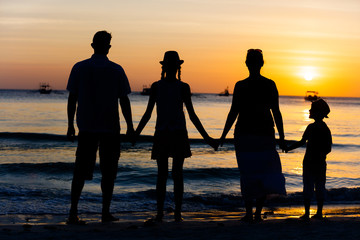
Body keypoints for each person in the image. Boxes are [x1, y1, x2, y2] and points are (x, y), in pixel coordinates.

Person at [134, 51, 217, 222]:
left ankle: (170, 213)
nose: (171, 68)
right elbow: (149, 113)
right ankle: (168, 213)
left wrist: (207, 138)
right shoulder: (161, 87)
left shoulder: (178, 87)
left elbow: (191, 115)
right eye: (170, 65)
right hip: (170, 133)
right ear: (168, 67)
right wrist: (136, 132)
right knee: (171, 174)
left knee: (168, 175)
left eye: (173, 65)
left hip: (172, 133)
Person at [66, 31, 134, 224]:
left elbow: (72, 99)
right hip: (110, 128)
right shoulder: (116, 70)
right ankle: (104, 212)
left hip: (87, 127)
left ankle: (73, 212)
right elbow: (124, 100)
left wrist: (70, 124)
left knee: (80, 171)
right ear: (109, 47)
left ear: (92, 45)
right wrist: (130, 126)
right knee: (109, 172)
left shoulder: (79, 68)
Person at [219, 49, 286, 222]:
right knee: (261, 173)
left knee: (248, 174)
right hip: (260, 135)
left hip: (247, 135)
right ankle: (255, 213)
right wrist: (282, 138)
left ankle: (250, 213)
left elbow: (233, 112)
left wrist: (223, 135)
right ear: (261, 63)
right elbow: (276, 113)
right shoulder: (268, 84)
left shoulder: (242, 85)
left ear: (247, 63)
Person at [285, 99, 332, 220]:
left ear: (317, 112)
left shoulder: (311, 127)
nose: (309, 110)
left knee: (308, 186)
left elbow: (301, 142)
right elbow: (328, 148)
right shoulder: (325, 128)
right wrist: (321, 154)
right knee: (320, 186)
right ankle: (319, 213)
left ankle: (307, 213)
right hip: (320, 162)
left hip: (309, 161)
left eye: (312, 109)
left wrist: (288, 148)